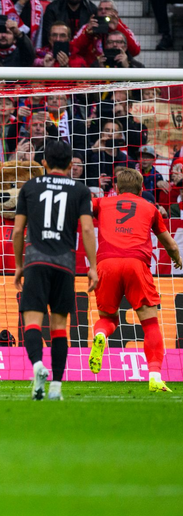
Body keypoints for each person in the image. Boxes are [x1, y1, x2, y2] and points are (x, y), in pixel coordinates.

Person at [13, 140, 98, 401]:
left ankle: (38, 366)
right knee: (60, 327)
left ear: (44, 163)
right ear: (71, 164)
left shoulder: (29, 187)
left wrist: (18, 265)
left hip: (36, 262)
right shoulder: (81, 190)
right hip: (65, 264)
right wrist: (93, 267)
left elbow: (17, 231)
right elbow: (86, 229)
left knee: (32, 322)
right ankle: (56, 388)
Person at [88, 168, 182, 392]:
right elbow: (170, 244)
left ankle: (100, 335)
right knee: (149, 324)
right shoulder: (150, 208)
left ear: (117, 189)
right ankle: (155, 376)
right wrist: (177, 258)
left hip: (106, 264)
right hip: (136, 264)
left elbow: (79, 211)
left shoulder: (101, 203)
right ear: (142, 189)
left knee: (108, 319)